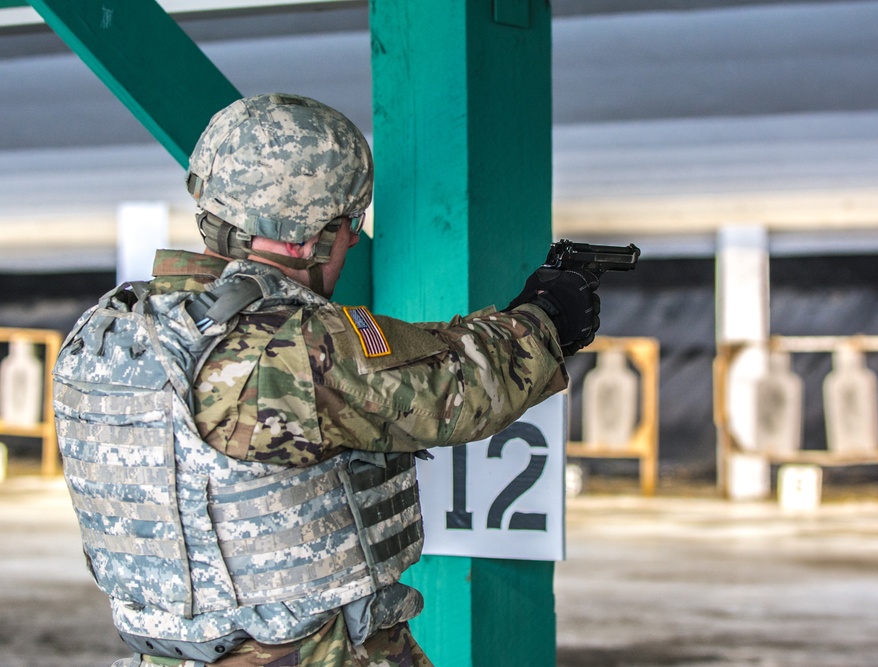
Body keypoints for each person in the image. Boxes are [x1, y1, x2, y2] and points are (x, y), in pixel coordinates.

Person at [52, 93, 601, 667]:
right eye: (347, 225)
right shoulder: (287, 346)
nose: (352, 241)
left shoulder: (107, 334)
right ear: (302, 239)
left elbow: (384, 361)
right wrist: (545, 319)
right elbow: (457, 391)